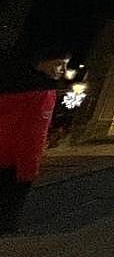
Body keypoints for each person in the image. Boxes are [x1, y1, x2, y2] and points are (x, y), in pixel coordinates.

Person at [0, 45, 67, 234]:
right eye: (59, 64)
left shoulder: (9, 83)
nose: (63, 71)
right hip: (10, 168)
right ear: (41, 63)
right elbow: (32, 137)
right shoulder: (42, 94)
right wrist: (28, 173)